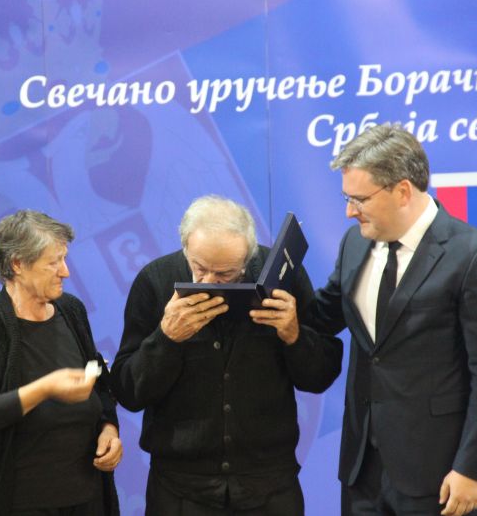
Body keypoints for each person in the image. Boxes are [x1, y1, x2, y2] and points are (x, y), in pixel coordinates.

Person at [309, 124, 477, 516]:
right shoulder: (355, 243)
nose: (350, 211)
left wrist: (474, 468)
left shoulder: (475, 255)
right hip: (362, 473)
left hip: (440, 476)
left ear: (403, 191)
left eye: (359, 199)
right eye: (347, 198)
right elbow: (322, 316)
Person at [111, 195, 343, 516]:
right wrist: (166, 339)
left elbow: (320, 377)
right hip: (180, 487)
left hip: (269, 483)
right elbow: (128, 392)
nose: (209, 282)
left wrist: (294, 335)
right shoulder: (155, 280)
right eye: (199, 268)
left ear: (247, 258)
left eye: (225, 274)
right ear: (185, 247)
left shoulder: (281, 277)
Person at [0, 210, 122, 516]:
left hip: (87, 498)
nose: (65, 272)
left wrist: (109, 428)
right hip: (17, 503)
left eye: (64, 259)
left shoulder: (71, 311)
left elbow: (100, 385)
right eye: (53, 262)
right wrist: (43, 389)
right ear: (18, 264)